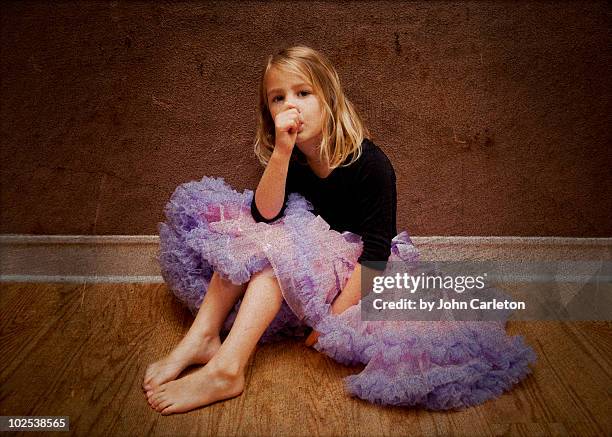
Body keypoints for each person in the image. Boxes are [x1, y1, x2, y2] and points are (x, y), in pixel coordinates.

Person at [143, 46, 536, 415]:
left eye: (302, 93)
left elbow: (376, 255)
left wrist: (327, 322)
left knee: (274, 254)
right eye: (278, 98)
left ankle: (228, 368)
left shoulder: (372, 165)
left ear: (328, 99)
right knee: (253, 233)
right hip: (306, 268)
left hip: (357, 279)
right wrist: (281, 152)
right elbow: (264, 215)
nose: (290, 105)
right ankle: (203, 337)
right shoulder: (293, 160)